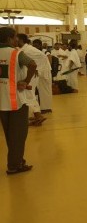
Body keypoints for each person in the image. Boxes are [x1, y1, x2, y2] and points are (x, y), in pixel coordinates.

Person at [0, 27, 37, 174]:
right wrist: (26, 81)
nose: (17, 40)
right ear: (10, 38)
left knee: (9, 133)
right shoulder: (16, 53)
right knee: (19, 133)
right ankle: (14, 165)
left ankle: (17, 159)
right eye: (15, 37)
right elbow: (32, 64)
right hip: (15, 100)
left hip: (1, 101)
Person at [17, 34, 47, 125]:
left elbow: (43, 57)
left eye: (16, 39)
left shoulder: (28, 49)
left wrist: (38, 68)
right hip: (29, 74)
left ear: (21, 40)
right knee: (29, 94)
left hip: (30, 75)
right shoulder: (24, 49)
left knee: (28, 94)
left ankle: (37, 115)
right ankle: (36, 115)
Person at [31, 39, 53, 113]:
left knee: (46, 91)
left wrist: (44, 68)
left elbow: (49, 60)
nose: (35, 47)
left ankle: (47, 108)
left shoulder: (45, 52)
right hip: (38, 74)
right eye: (34, 45)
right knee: (39, 91)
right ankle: (41, 107)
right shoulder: (34, 52)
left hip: (45, 73)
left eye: (36, 45)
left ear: (40, 45)